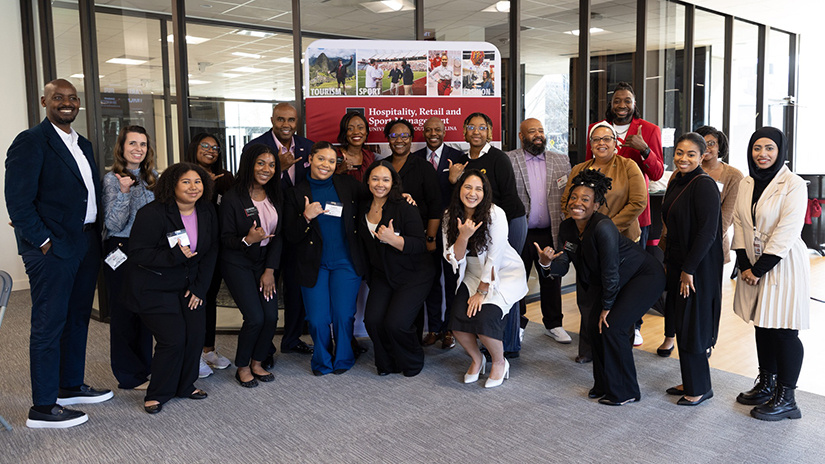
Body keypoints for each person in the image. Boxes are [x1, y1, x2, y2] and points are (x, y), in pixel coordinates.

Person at [6, 78, 113, 428]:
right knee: (49, 324)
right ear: (44, 101)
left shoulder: (83, 143)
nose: (66, 103)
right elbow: (18, 202)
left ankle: (70, 385)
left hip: (86, 242)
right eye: (58, 97)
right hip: (52, 248)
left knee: (78, 317)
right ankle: (43, 406)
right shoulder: (31, 141)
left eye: (72, 98)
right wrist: (42, 241)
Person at [537, 169, 665, 405]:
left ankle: (626, 391)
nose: (577, 203)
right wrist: (546, 263)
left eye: (585, 199)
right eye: (573, 197)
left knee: (612, 326)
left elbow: (610, 270)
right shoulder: (567, 228)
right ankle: (604, 384)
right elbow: (563, 264)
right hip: (616, 278)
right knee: (595, 329)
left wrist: (607, 307)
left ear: (596, 205)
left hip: (643, 276)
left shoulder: (603, 227)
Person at [125, 162, 218, 414]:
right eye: (186, 182)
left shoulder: (207, 211)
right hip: (155, 287)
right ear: (172, 185)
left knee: (195, 336)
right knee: (173, 339)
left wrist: (200, 288)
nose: (193, 187)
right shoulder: (152, 213)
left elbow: (210, 252)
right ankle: (158, 393)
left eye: (197, 182)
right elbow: (138, 253)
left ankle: (185, 385)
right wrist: (174, 255)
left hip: (190, 285)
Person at [732, 127, 810, 421]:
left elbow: (787, 231)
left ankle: (787, 398)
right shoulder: (747, 182)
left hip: (783, 263)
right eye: (757, 148)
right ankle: (767, 384)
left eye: (769, 148)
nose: (762, 154)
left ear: (780, 151)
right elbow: (740, 223)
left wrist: (759, 268)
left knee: (784, 329)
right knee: (762, 324)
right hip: (753, 261)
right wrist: (744, 264)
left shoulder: (793, 184)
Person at [560, 121, 647, 363]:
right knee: (588, 299)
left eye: (607, 138)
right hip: (586, 244)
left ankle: (618, 349)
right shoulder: (580, 169)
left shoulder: (628, 166)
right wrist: (584, 230)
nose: (601, 143)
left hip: (621, 242)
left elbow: (638, 202)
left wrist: (605, 230)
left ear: (615, 143)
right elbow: (567, 201)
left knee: (619, 299)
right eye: (596, 139)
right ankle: (588, 350)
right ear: (591, 144)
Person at [588, 81, 664, 346]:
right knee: (603, 271)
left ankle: (635, 324)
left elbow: (657, 172)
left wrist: (644, 149)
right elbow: (588, 167)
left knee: (631, 272)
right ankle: (603, 321)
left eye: (627, 100)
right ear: (611, 104)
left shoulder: (649, 130)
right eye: (617, 100)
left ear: (634, 103)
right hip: (600, 216)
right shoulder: (597, 129)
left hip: (634, 217)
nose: (622, 105)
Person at [657, 125, 743, 357]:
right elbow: (669, 210)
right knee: (674, 297)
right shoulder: (679, 174)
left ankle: (703, 343)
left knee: (700, 302)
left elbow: (724, 218)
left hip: (707, 249)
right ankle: (670, 337)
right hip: (676, 246)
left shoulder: (731, 176)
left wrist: (699, 249)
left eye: (710, 143)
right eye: (680, 152)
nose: (707, 148)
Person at [284, 141, 367, 375]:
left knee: (343, 315)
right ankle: (322, 360)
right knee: (317, 319)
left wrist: (402, 196)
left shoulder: (348, 185)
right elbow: (290, 235)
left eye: (332, 161)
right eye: (321, 159)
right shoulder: (295, 193)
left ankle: (343, 357)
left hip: (346, 263)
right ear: (310, 159)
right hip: (313, 265)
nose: (326, 165)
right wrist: (306, 217)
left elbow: (377, 196)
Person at [449, 112, 527, 357]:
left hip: (507, 221)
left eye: (482, 127)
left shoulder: (498, 158)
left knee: (503, 277)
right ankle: (486, 334)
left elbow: (506, 197)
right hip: (479, 226)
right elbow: (460, 198)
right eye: (471, 127)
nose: (476, 132)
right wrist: (453, 180)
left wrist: (492, 225)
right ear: (464, 131)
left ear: (490, 132)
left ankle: (510, 343)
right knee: (483, 274)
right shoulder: (460, 161)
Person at [443, 170, 528, 388]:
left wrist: (481, 292)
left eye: (478, 189)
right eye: (467, 187)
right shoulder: (449, 215)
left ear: (485, 192)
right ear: (459, 189)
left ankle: (499, 362)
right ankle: (477, 359)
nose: (472, 193)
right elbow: (452, 257)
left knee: (485, 319)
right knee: (457, 321)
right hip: (472, 274)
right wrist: (463, 236)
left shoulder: (495, 214)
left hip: (502, 273)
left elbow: (494, 257)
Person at [245, 102, 315, 359]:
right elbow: (248, 182)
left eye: (291, 120)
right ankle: (264, 349)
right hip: (268, 228)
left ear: (297, 122)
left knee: (295, 288)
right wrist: (279, 168)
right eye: (281, 119)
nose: (286, 124)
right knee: (266, 288)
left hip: (298, 226)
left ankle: (292, 339)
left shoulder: (307, 146)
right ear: (272, 120)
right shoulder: (255, 147)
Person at [660, 132, 723, 406]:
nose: (683, 158)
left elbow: (707, 233)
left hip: (697, 266)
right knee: (682, 322)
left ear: (703, 155)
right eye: (679, 153)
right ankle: (691, 380)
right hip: (679, 262)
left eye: (691, 154)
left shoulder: (704, 185)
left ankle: (700, 388)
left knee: (693, 324)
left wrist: (689, 269)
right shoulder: (677, 179)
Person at [358, 161, 431, 376]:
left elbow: (419, 244)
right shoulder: (361, 206)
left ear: (393, 183)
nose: (380, 184)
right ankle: (387, 362)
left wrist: (394, 240)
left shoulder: (405, 205)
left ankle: (412, 361)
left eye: (385, 179)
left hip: (413, 273)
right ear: (367, 181)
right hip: (383, 274)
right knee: (372, 321)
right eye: (375, 179)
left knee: (396, 323)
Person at [220, 144, 283, 388]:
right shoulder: (232, 197)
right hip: (238, 262)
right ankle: (243, 366)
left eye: (272, 165)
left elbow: (279, 236)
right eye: (261, 163)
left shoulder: (276, 194)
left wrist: (270, 270)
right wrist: (248, 240)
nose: (267, 169)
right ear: (249, 164)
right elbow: (225, 238)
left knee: (271, 316)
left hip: (265, 262)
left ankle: (257, 362)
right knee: (255, 317)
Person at [506, 118, 572, 345]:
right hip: (520, 231)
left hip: (550, 231)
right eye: (532, 131)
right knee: (517, 278)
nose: (538, 135)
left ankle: (554, 324)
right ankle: (518, 323)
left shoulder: (561, 160)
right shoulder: (509, 159)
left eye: (541, 131)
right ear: (521, 136)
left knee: (551, 278)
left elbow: (568, 195)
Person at [102, 125, 157, 391]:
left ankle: (145, 368)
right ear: (121, 147)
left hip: (148, 251)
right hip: (121, 249)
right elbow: (113, 224)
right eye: (132, 143)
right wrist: (124, 193)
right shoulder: (112, 179)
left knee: (144, 313)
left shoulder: (152, 178)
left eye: (142, 144)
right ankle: (128, 375)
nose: (138, 149)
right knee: (124, 314)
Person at [184, 133, 234, 377]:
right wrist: (206, 187)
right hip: (191, 247)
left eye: (215, 147)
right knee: (193, 298)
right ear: (195, 147)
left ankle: (208, 350)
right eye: (205, 145)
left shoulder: (226, 178)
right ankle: (191, 355)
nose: (211, 150)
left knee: (209, 297)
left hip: (217, 246)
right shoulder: (184, 175)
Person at [412, 117, 464, 349]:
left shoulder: (458, 157)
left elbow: (467, 194)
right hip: (426, 230)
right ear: (423, 132)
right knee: (431, 280)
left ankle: (450, 329)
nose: (433, 133)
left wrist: (454, 181)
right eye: (428, 130)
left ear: (445, 132)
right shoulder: (415, 159)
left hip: (452, 230)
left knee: (452, 281)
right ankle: (434, 328)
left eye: (438, 130)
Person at [335, 111, 375, 182]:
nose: (356, 132)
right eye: (350, 129)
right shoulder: (335, 155)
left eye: (360, 128)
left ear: (366, 132)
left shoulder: (369, 156)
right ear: (344, 133)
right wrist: (339, 171)